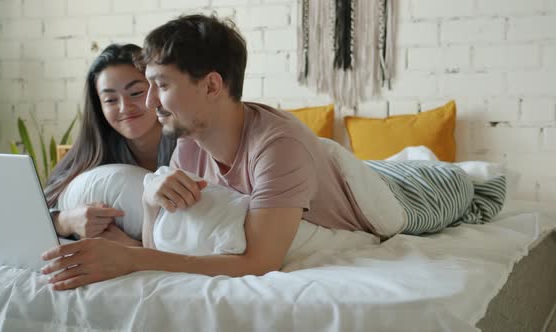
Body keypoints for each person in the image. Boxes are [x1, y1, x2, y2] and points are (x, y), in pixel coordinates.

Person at [41, 15, 375, 290]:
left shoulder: (279, 146)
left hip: (386, 197)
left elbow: (258, 263)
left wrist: (130, 258)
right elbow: (162, 245)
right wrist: (149, 197)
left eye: (161, 85)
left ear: (212, 86)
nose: (148, 103)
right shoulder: (188, 142)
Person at [44, 43, 179, 246]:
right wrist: (66, 221)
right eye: (110, 100)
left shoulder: (187, 143)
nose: (125, 108)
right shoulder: (96, 149)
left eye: (135, 93)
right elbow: (33, 212)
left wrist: (132, 248)